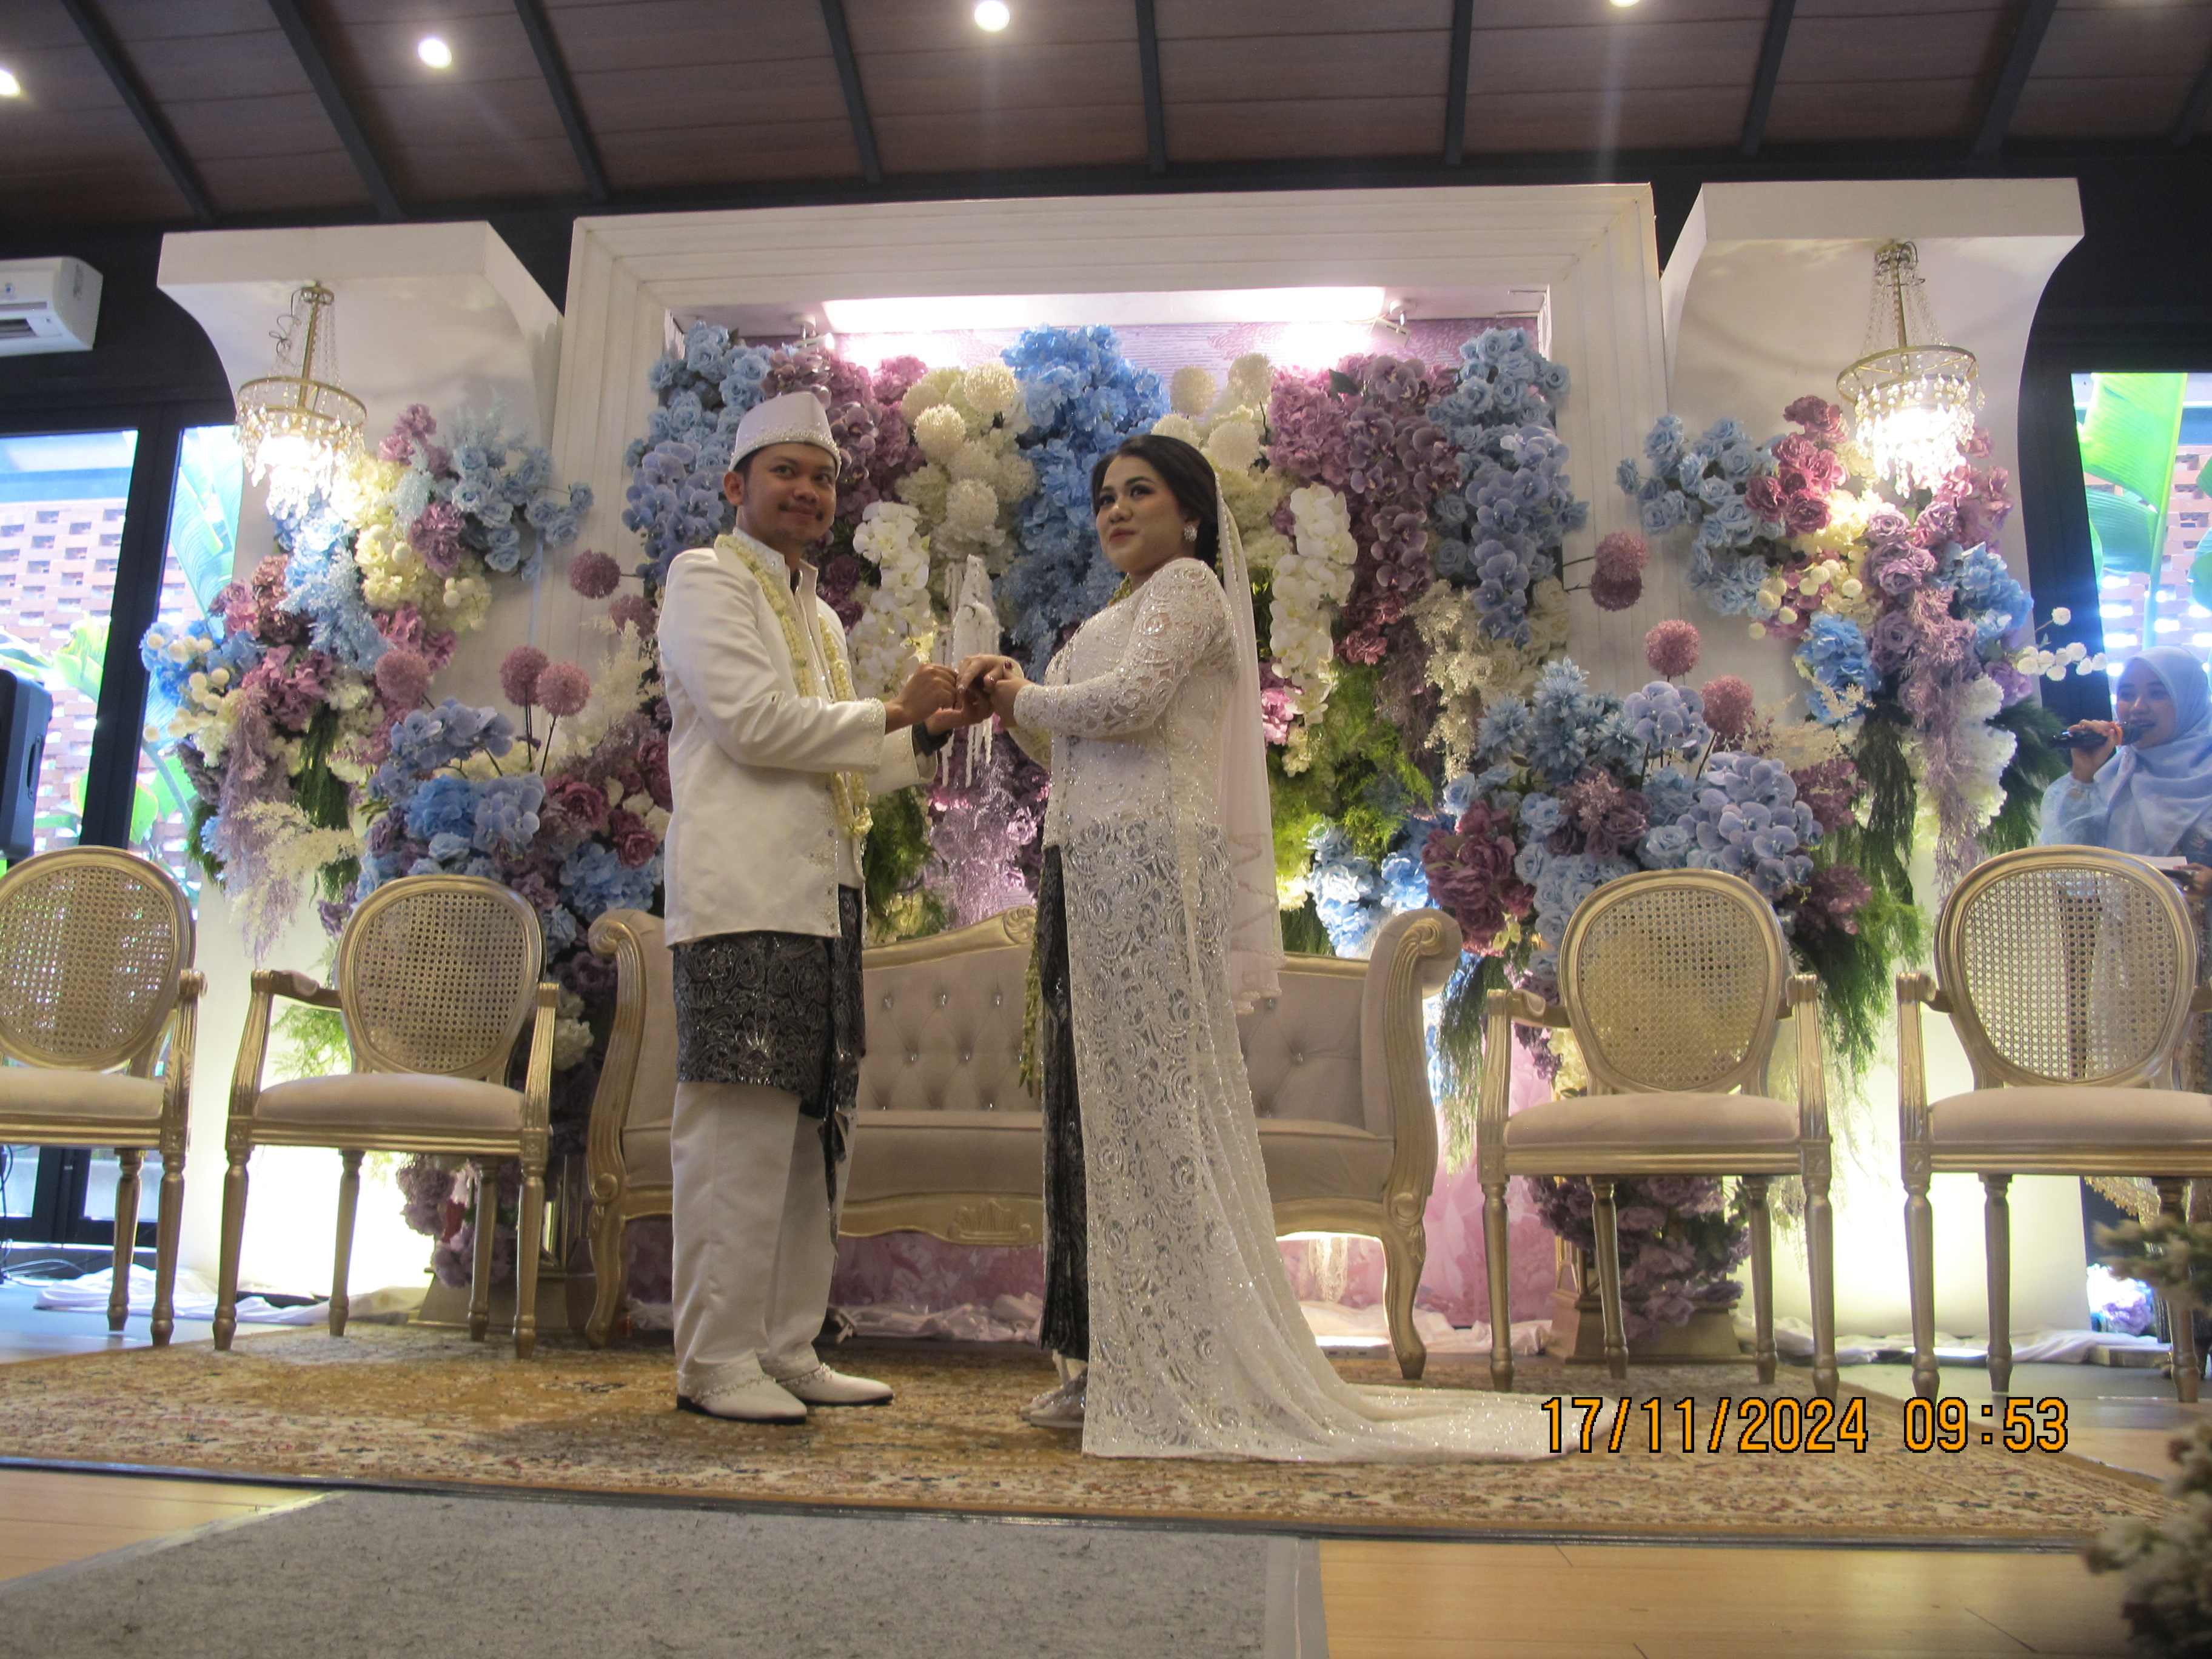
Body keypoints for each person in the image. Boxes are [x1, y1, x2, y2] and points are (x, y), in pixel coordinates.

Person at [959, 433, 1555, 1462]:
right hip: (1084, 868)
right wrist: (1009, 703)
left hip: (1153, 864)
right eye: (1104, 498)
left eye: (1139, 492)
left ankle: (1182, 1358)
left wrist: (1020, 694)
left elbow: (1132, 705)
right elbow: (1067, 744)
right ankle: (1113, 1356)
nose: (1115, 511)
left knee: (1157, 1108)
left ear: (1191, 514)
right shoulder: (1102, 619)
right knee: (1096, 1117)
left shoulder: (1188, 591)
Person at [657, 390, 985, 1423]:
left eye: (823, 477)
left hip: (824, 896)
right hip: (743, 896)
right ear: (736, 485)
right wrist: (889, 706)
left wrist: (923, 730)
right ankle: (715, 1360)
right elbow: (754, 725)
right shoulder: (706, 580)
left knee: (813, 1131)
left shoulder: (821, 616)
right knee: (738, 1131)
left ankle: (786, 1346)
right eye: (786, 472)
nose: (807, 490)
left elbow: (840, 763)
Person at [2045, 645, 2212, 897]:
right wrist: (2084, 775)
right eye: (2126, 694)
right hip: (2131, 923)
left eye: (2157, 694)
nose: (2137, 707)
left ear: (2191, 700)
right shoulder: (2115, 779)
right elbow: (2074, 877)